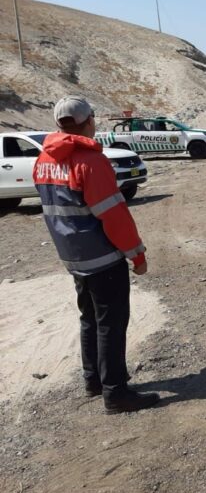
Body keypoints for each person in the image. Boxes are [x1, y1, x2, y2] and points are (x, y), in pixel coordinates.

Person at [33, 96, 160, 414]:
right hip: (102, 258)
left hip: (73, 257)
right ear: (88, 121)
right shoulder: (90, 162)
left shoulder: (44, 159)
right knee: (111, 324)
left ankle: (94, 380)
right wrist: (137, 256)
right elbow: (114, 216)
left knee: (89, 318)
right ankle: (116, 393)